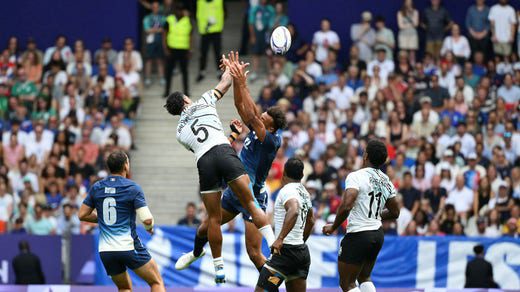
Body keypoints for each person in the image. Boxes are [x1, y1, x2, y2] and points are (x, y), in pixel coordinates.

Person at [164, 58, 275, 283]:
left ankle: (218, 267)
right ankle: (273, 243)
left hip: (206, 161)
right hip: (224, 154)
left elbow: (206, 144)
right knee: (243, 207)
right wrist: (229, 70)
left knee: (213, 221)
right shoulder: (204, 100)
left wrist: (233, 135)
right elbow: (225, 84)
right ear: (186, 98)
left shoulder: (179, 132)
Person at [78, 151, 165, 292]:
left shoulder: (97, 187)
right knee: (156, 282)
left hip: (106, 251)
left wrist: (103, 220)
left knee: (124, 287)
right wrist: (149, 227)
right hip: (128, 246)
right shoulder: (132, 188)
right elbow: (147, 218)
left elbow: (82, 214)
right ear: (126, 166)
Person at [323, 139, 400, 292]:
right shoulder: (386, 181)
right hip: (377, 234)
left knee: (347, 284)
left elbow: (346, 205)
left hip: (359, 234)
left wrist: (334, 226)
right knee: (364, 277)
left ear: (365, 155)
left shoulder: (356, 176)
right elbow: (395, 212)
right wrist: (374, 215)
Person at [255, 158, 314, 292]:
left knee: (263, 289)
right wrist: (300, 241)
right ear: (302, 175)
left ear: (284, 173)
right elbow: (311, 221)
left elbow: (293, 210)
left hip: (285, 255)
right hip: (301, 254)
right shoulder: (305, 193)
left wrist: (280, 238)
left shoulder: (287, 190)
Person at [163, 3, 193, 97]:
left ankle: (186, 91)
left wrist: (190, 49)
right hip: (171, 49)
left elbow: (190, 36)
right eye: (178, 9)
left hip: (183, 50)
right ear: (175, 10)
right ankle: (166, 91)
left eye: (181, 10)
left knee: (185, 71)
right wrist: (165, 48)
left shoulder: (187, 20)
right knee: (168, 72)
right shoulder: (169, 20)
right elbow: (164, 34)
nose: (179, 11)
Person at [196, 0, 225, 83]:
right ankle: (202, 72)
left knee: (217, 53)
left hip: (216, 31)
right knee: (203, 53)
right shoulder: (200, 2)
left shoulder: (219, 1)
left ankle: (219, 72)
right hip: (205, 31)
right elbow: (197, 15)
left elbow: (224, 13)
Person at [248, 0, 275, 81]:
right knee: (256, 53)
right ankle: (255, 72)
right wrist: (252, 36)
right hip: (257, 34)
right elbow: (251, 23)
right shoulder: (255, 9)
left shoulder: (270, 9)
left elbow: (272, 22)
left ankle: (270, 72)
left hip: (267, 34)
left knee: (269, 53)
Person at [143, 0, 166, 86]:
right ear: (151, 8)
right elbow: (146, 30)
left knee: (160, 60)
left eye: (157, 7)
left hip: (160, 41)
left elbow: (164, 29)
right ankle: (147, 78)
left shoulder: (163, 18)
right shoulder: (147, 18)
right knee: (149, 60)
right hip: (150, 42)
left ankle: (162, 78)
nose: (155, 8)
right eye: (154, 7)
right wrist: (157, 30)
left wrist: (154, 30)